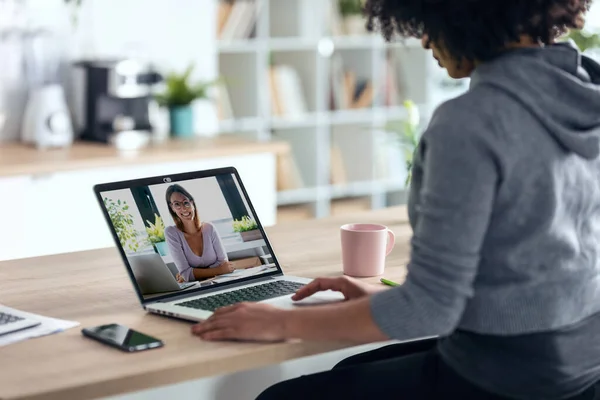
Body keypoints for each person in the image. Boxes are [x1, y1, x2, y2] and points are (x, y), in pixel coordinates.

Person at [191, 0, 600, 399]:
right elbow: (540, 261)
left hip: (503, 376)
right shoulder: (585, 94)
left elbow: (430, 310)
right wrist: (384, 303)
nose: (425, 41)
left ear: (465, 15)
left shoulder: (471, 122)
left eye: (431, 22)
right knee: (349, 370)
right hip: (578, 362)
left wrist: (277, 323)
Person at [164, 184, 234, 282]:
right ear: (172, 208)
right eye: (177, 204)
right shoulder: (171, 233)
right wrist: (219, 270)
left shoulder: (209, 228)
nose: (183, 208)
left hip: (221, 282)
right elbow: (186, 274)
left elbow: (223, 263)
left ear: (192, 203)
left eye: (186, 202)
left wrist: (193, 273)